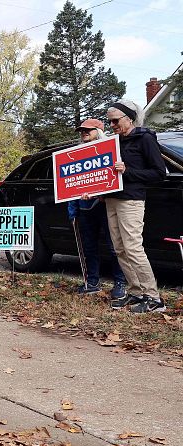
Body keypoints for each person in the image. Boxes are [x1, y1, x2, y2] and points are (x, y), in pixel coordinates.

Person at [104, 100, 166, 313]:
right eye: (110, 121)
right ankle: (136, 292)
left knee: (133, 248)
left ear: (129, 118)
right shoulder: (114, 142)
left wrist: (127, 171)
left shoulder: (145, 139)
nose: (112, 125)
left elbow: (159, 173)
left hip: (132, 200)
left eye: (115, 121)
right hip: (111, 200)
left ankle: (153, 297)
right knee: (119, 249)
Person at [67, 119, 126, 300]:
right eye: (81, 131)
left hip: (106, 205)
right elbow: (70, 186)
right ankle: (92, 282)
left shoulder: (111, 151)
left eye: (88, 130)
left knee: (114, 246)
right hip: (85, 209)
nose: (84, 133)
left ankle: (120, 282)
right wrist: (72, 210)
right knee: (89, 248)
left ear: (98, 131)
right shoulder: (75, 155)